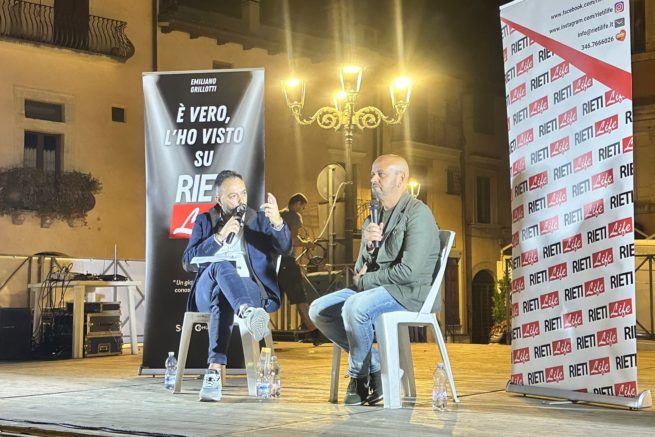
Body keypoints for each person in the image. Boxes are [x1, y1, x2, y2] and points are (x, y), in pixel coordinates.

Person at [309, 154, 440, 406]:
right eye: (372, 174)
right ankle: (378, 366)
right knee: (319, 310)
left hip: (410, 293)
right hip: (377, 289)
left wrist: (365, 281)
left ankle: (359, 378)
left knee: (355, 306)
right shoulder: (373, 218)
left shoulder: (418, 214)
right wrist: (368, 246)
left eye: (381, 174)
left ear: (401, 179)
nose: (373, 179)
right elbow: (359, 271)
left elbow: (409, 272)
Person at [182, 170, 291, 385]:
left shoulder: (259, 220)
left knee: (223, 294)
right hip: (207, 289)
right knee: (221, 265)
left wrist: (278, 223)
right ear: (219, 199)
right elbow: (187, 262)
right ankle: (247, 312)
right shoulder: (205, 221)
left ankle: (215, 368)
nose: (241, 200)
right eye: (233, 196)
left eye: (243, 193)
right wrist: (219, 237)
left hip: (249, 288)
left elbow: (285, 249)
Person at [278, 193, 318, 334]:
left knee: (273, 298)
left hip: (273, 261)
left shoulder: (279, 214)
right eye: (303, 207)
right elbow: (294, 240)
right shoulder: (294, 216)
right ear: (297, 204)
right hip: (287, 260)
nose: (303, 210)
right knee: (299, 295)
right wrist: (307, 243)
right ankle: (312, 328)